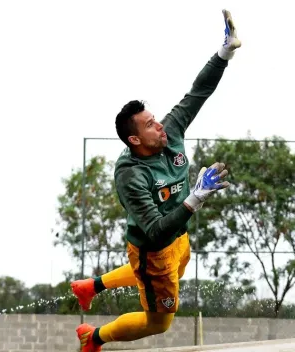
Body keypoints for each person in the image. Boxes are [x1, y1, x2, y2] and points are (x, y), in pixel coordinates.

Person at [71, 9, 241, 352]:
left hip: (179, 239)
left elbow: (198, 93)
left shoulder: (171, 132)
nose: (159, 125)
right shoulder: (131, 175)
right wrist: (196, 198)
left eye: (154, 119)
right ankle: (94, 337)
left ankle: (91, 286)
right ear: (134, 140)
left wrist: (224, 53)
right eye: (149, 125)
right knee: (159, 322)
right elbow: (155, 231)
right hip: (153, 250)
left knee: (179, 265)